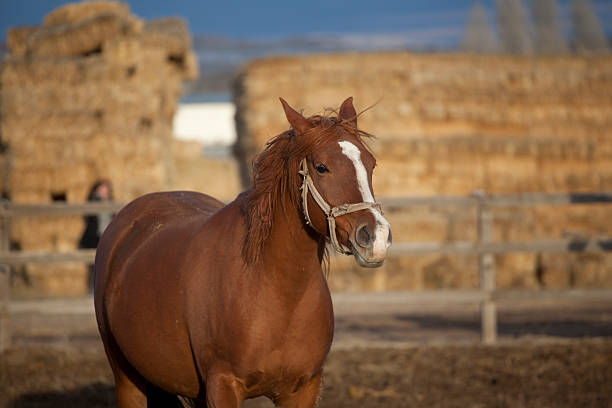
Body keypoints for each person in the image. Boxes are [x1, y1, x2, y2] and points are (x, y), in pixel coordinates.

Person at [79, 179, 114, 292]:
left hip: (108, 238)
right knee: (93, 268)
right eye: (103, 188)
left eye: (106, 188)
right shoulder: (92, 202)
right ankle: (91, 291)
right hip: (94, 238)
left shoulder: (111, 203)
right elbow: (88, 220)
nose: (105, 191)